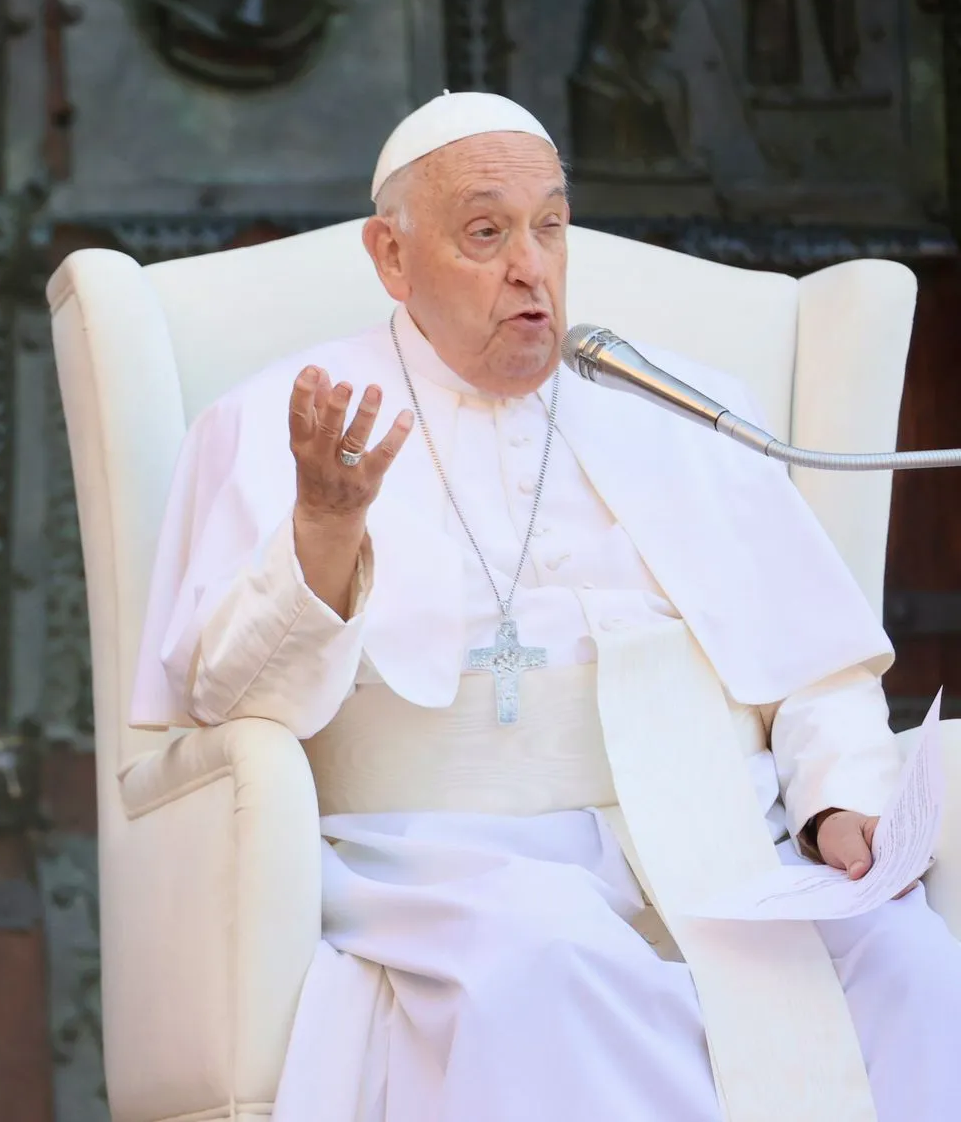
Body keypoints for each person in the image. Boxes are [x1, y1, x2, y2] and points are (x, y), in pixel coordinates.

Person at [132, 90, 961, 1121]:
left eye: (549, 226)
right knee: (546, 964)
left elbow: (812, 666)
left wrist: (841, 800)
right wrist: (324, 531)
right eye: (484, 233)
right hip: (447, 850)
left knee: (906, 962)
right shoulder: (278, 420)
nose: (530, 265)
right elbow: (227, 699)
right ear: (390, 256)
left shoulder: (679, 406)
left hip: (715, 833)